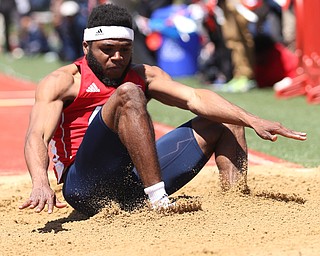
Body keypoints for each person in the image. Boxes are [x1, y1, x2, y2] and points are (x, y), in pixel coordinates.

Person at [19, 4, 306, 217]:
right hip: (86, 188)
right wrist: (41, 182)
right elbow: (36, 136)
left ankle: (235, 202)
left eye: (125, 49)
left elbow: (195, 97)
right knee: (129, 94)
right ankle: (159, 200)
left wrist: (251, 119)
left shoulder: (146, 74)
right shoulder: (63, 82)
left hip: (132, 184)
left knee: (227, 117)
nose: (117, 57)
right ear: (86, 46)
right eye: (107, 49)